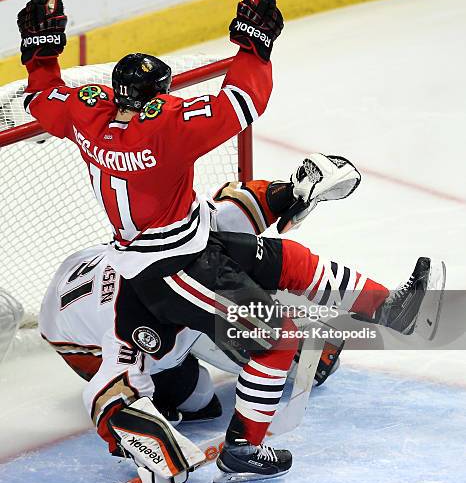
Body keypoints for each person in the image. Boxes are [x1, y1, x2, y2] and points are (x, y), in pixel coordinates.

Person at [18, 0, 445, 483]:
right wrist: (254, 43)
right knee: (277, 339)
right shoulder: (167, 129)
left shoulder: (87, 116)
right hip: (173, 270)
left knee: (291, 261)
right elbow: (243, 100)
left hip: (179, 249)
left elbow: (41, 97)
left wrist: (39, 53)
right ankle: (244, 445)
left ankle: (387, 309)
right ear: (155, 94)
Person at [39, 171, 347, 432]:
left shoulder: (188, 244)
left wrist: (292, 191)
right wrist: (150, 437)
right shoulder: (151, 340)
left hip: (87, 272)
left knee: (229, 287)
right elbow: (111, 391)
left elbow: (234, 209)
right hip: (77, 338)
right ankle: (169, 397)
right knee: (198, 394)